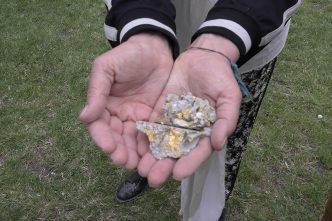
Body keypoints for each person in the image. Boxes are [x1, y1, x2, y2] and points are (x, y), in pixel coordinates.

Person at [79, 0, 301, 220]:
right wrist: (142, 20)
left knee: (227, 135)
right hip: (166, 28)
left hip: (251, 32)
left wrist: (229, 31)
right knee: (153, 108)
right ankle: (151, 157)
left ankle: (214, 204)